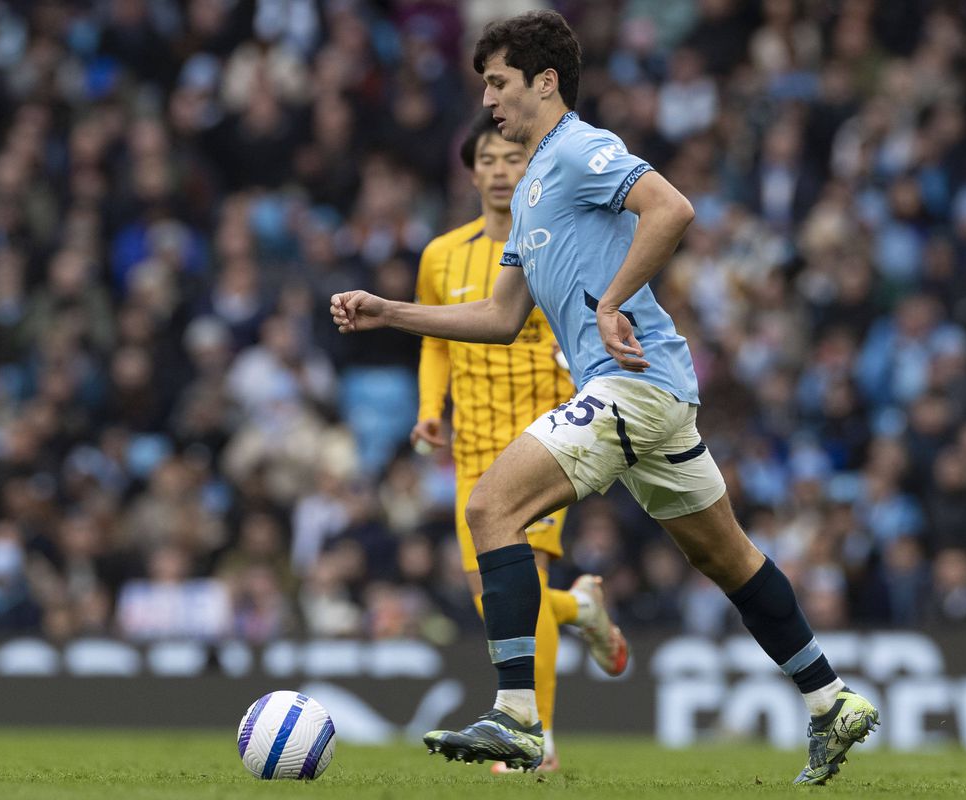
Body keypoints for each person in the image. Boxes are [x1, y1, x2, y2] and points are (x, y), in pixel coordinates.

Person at [330, 10, 878, 785]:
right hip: (648, 395)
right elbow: (498, 315)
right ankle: (831, 701)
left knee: (490, 509)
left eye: (498, 82)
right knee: (725, 557)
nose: (488, 100)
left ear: (544, 82)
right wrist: (390, 312)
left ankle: (518, 716)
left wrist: (613, 299)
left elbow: (672, 208)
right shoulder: (529, 192)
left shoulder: (581, 148)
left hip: (634, 384)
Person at [410, 110, 629, 773]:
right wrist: (429, 410)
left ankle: (538, 741)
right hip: (473, 446)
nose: (502, 170)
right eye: (490, 160)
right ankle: (581, 607)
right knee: (494, 598)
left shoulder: (554, 243)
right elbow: (436, 339)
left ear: (531, 167)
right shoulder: (440, 256)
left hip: (542, 438)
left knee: (523, 576)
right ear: (472, 171)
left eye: (513, 157)